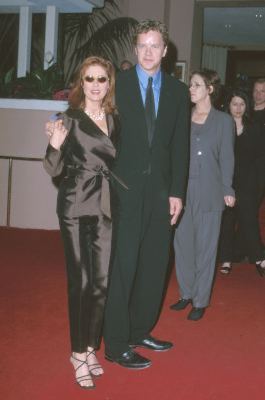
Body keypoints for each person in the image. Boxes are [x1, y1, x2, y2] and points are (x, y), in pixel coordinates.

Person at [103, 20, 190, 369]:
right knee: (123, 267)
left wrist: (177, 192)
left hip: (160, 194)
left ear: (165, 51)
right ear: (135, 50)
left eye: (155, 45)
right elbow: (90, 117)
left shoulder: (177, 91)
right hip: (124, 191)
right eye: (143, 45)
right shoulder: (117, 85)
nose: (149, 51)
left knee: (154, 265)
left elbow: (179, 146)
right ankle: (116, 343)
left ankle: (139, 330)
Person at [43, 56, 122, 389]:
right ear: (81, 82)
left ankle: (90, 347)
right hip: (75, 205)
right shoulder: (69, 118)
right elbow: (53, 168)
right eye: (89, 78)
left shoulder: (116, 121)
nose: (95, 84)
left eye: (101, 79)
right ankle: (76, 353)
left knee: (101, 282)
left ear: (108, 85)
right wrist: (54, 144)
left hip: (104, 205)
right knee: (82, 281)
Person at [170, 69, 235, 321]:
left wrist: (227, 189)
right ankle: (186, 293)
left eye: (196, 85)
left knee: (206, 248)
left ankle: (200, 299)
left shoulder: (223, 121)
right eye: (190, 85)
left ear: (209, 89)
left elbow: (227, 158)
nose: (191, 89)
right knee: (183, 245)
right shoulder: (182, 117)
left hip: (210, 190)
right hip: (182, 190)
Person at [218, 88, 265, 276]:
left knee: (248, 218)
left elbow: (260, 156)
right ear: (228, 105)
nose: (238, 108)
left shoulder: (254, 127)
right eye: (234, 104)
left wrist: (258, 183)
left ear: (247, 106)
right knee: (227, 220)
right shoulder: (221, 125)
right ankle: (226, 258)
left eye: (242, 104)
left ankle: (259, 257)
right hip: (226, 180)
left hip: (248, 182)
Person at [252, 78, 265, 204]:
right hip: (243, 164)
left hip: (261, 166)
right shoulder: (245, 111)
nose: (258, 94)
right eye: (256, 90)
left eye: (262, 91)